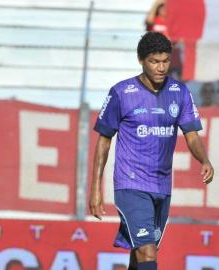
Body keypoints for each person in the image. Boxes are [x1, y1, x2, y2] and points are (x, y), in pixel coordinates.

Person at [89, 32, 214, 270]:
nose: (161, 67)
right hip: (131, 184)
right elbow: (104, 140)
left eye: (165, 60)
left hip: (162, 186)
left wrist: (204, 159)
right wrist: (96, 189)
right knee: (148, 251)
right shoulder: (121, 93)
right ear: (141, 60)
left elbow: (191, 135)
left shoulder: (180, 92)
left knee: (141, 254)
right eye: (154, 61)